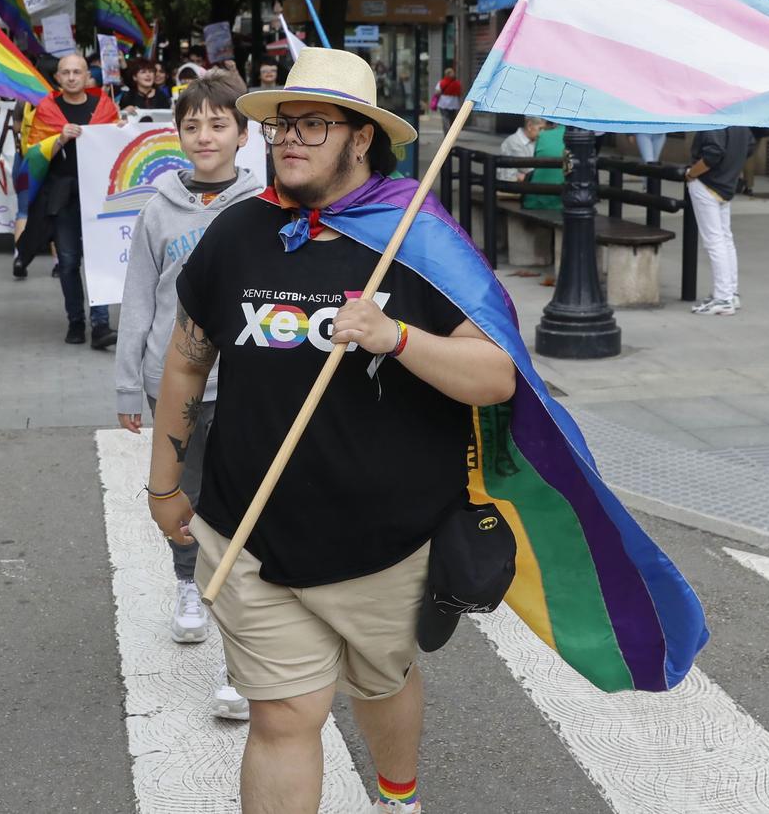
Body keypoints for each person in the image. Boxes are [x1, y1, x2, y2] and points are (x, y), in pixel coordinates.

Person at [145, 48, 516, 814]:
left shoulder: (418, 237)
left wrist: (397, 337)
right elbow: (186, 361)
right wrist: (163, 482)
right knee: (283, 714)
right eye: (283, 122)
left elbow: (497, 375)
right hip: (250, 529)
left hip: (388, 541)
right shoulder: (239, 232)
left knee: (383, 683)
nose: (289, 137)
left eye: (314, 123)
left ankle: (397, 795)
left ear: (360, 137)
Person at [114, 71, 258, 720]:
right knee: (182, 497)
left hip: (248, 384)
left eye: (218, 123)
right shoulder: (158, 207)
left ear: (243, 133)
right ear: (178, 134)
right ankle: (186, 584)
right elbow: (140, 296)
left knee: (242, 512)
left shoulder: (262, 204)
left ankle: (245, 654)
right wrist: (127, 379)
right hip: (172, 384)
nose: (205, 135)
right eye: (192, 124)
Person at [15, 52, 120, 348]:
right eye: (66, 73)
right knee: (69, 261)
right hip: (62, 196)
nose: (72, 77)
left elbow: (118, 143)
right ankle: (76, 321)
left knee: (98, 260)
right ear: (58, 78)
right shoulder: (47, 109)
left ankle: (101, 325)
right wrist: (58, 139)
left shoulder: (104, 105)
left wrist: (122, 128)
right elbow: (32, 152)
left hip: (99, 195)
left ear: (87, 76)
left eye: (78, 72)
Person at [685, 124, 753, 316]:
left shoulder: (715, 118)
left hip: (707, 183)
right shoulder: (739, 119)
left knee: (714, 241)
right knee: (724, 238)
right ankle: (730, 293)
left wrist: (691, 174)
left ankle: (723, 298)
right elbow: (749, 145)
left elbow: (713, 154)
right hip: (726, 183)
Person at [497, 116, 547, 187]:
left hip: (522, 186)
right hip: (509, 189)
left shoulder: (535, 141)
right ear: (529, 126)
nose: (542, 133)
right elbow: (528, 169)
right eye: (540, 129)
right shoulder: (514, 142)